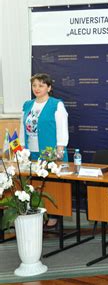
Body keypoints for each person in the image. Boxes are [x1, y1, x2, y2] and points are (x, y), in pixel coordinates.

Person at [20, 73, 69, 228]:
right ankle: (37, 213)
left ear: (49, 87)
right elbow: (23, 129)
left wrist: (59, 151)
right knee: (34, 186)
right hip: (31, 153)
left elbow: (62, 129)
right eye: (34, 85)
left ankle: (54, 215)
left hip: (50, 153)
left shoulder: (56, 104)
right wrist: (21, 149)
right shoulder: (28, 105)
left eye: (41, 85)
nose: (37, 88)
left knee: (52, 186)